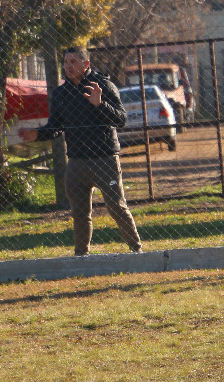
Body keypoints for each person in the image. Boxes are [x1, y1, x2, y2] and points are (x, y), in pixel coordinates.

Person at [18, 48, 143, 256]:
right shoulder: (61, 93)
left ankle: (137, 250)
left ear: (86, 64)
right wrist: (37, 134)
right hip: (76, 162)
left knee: (116, 208)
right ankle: (81, 256)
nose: (68, 66)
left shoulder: (103, 85)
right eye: (66, 61)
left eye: (74, 61)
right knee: (80, 213)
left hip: (105, 159)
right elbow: (55, 126)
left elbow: (121, 120)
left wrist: (99, 104)